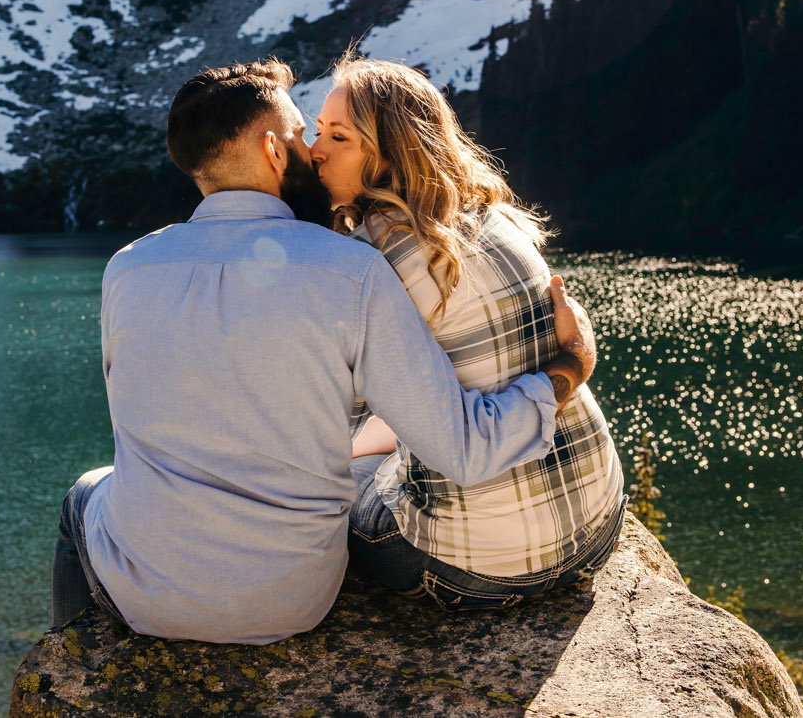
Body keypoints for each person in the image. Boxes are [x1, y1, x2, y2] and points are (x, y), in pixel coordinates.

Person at [50, 57, 599, 644]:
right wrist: (570, 368)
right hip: (293, 600)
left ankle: (70, 659)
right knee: (359, 472)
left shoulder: (126, 270)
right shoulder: (353, 270)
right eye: (301, 132)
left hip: (145, 597)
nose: (311, 150)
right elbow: (455, 444)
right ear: (272, 150)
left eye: (329, 136)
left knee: (86, 491)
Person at [311, 54, 625, 609]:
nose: (315, 152)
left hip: (478, 568)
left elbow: (333, 420)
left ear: (391, 153)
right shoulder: (495, 215)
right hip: (599, 520)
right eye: (317, 133)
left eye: (340, 138)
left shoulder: (367, 264)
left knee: (339, 478)